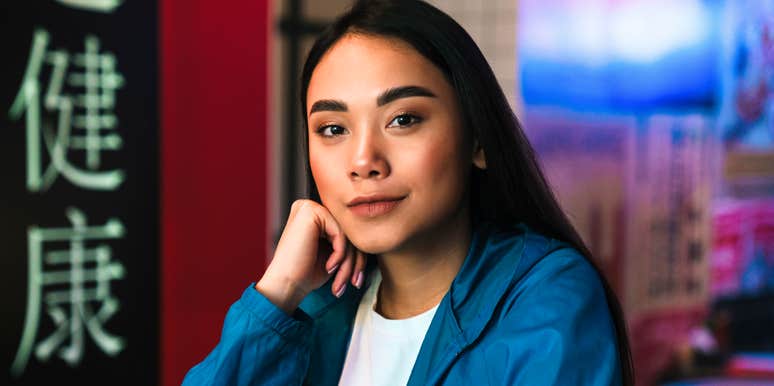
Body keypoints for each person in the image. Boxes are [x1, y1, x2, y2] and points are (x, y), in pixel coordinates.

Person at [183, 0, 634, 385]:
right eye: (333, 128)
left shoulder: (545, 300)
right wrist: (278, 293)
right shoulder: (316, 312)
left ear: (476, 139)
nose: (363, 161)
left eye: (403, 119)